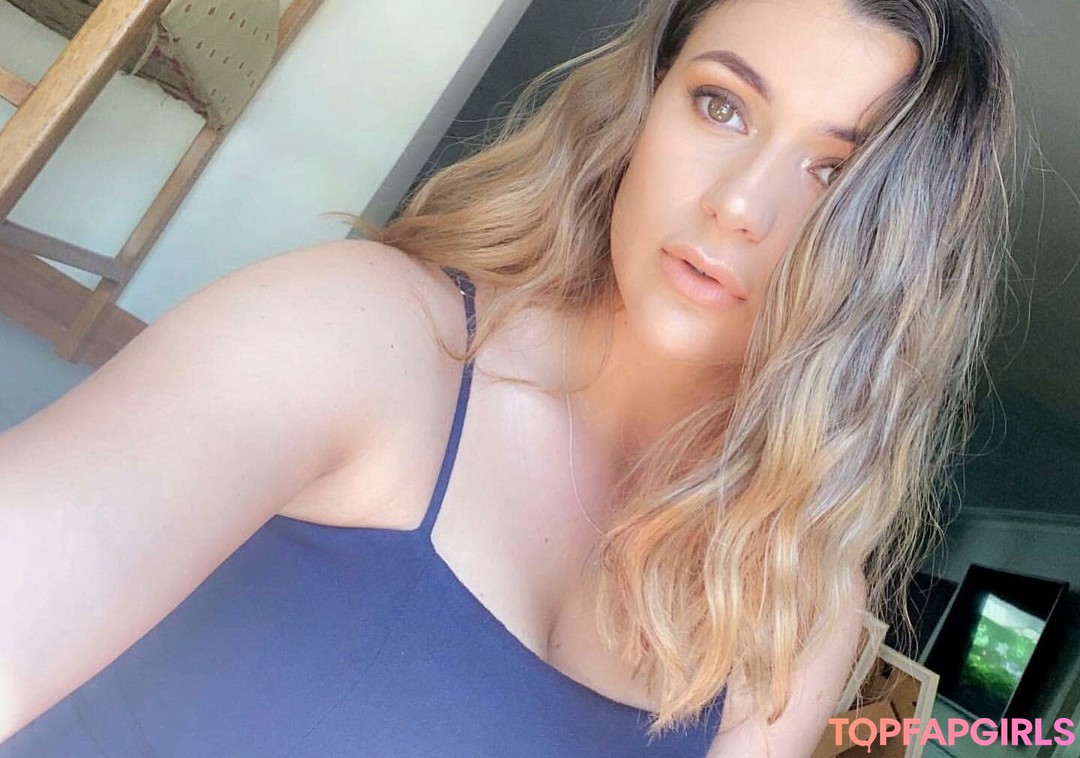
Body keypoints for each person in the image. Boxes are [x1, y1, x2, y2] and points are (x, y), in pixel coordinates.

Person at [0, 0, 1015, 754]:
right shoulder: (360, 335)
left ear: (899, 259)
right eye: (721, 105)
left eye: (836, 173)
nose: (742, 205)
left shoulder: (794, 604)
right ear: (645, 104)